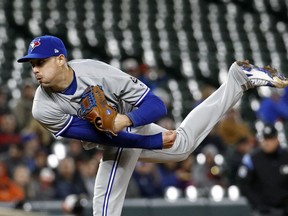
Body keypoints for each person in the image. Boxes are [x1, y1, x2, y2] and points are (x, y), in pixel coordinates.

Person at [17, 35, 288, 216]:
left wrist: (128, 120)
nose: (36, 70)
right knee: (173, 148)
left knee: (107, 201)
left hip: (127, 124)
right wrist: (152, 141)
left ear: (61, 59)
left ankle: (237, 80)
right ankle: (237, 79)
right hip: (112, 138)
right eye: (32, 65)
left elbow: (157, 106)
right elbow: (108, 138)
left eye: (41, 62)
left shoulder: (95, 71)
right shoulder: (42, 107)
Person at [238, 125, 288, 216]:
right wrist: (258, 204)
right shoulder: (252, 158)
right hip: (263, 211)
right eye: (264, 139)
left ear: (277, 139)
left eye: (270, 139)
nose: (266, 143)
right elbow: (244, 184)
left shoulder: (286, 156)